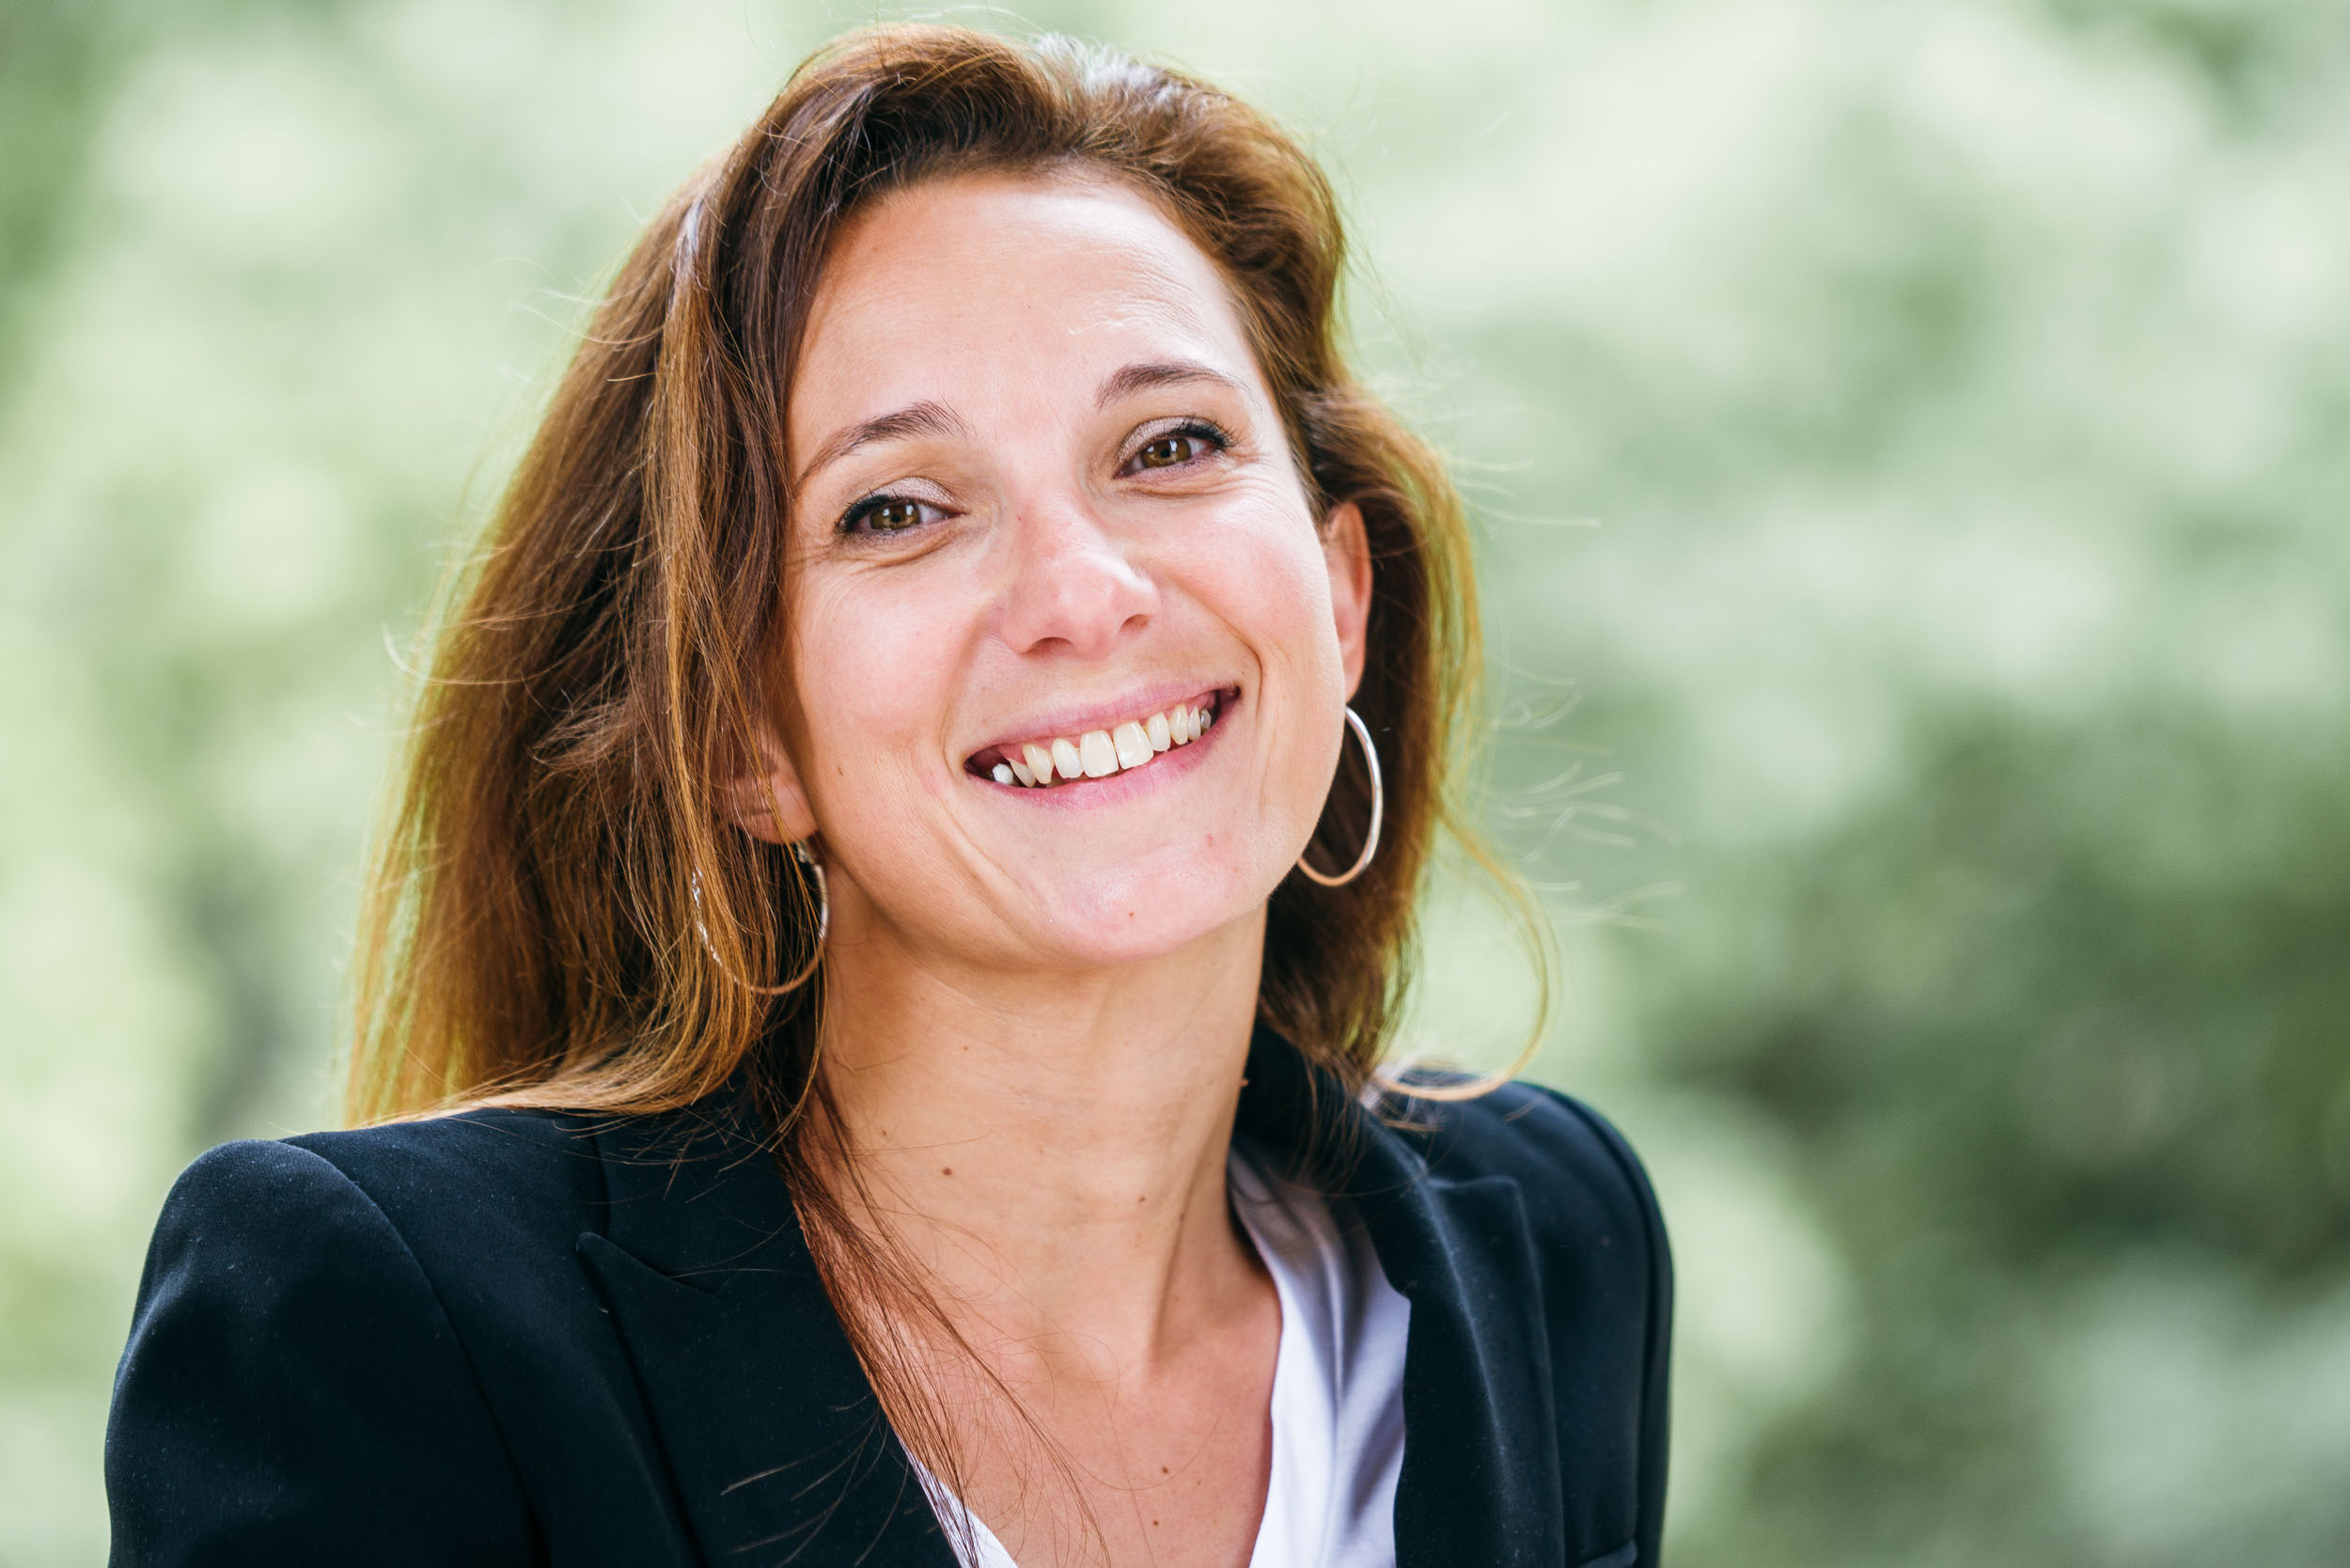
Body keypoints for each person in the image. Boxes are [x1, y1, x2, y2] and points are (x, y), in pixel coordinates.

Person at [103, 24, 1670, 1568]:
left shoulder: (1544, 1239)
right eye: (901, 509)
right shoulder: (386, 1329)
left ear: (1339, 596)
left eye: (1171, 443)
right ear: (744, 738)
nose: (1084, 589)